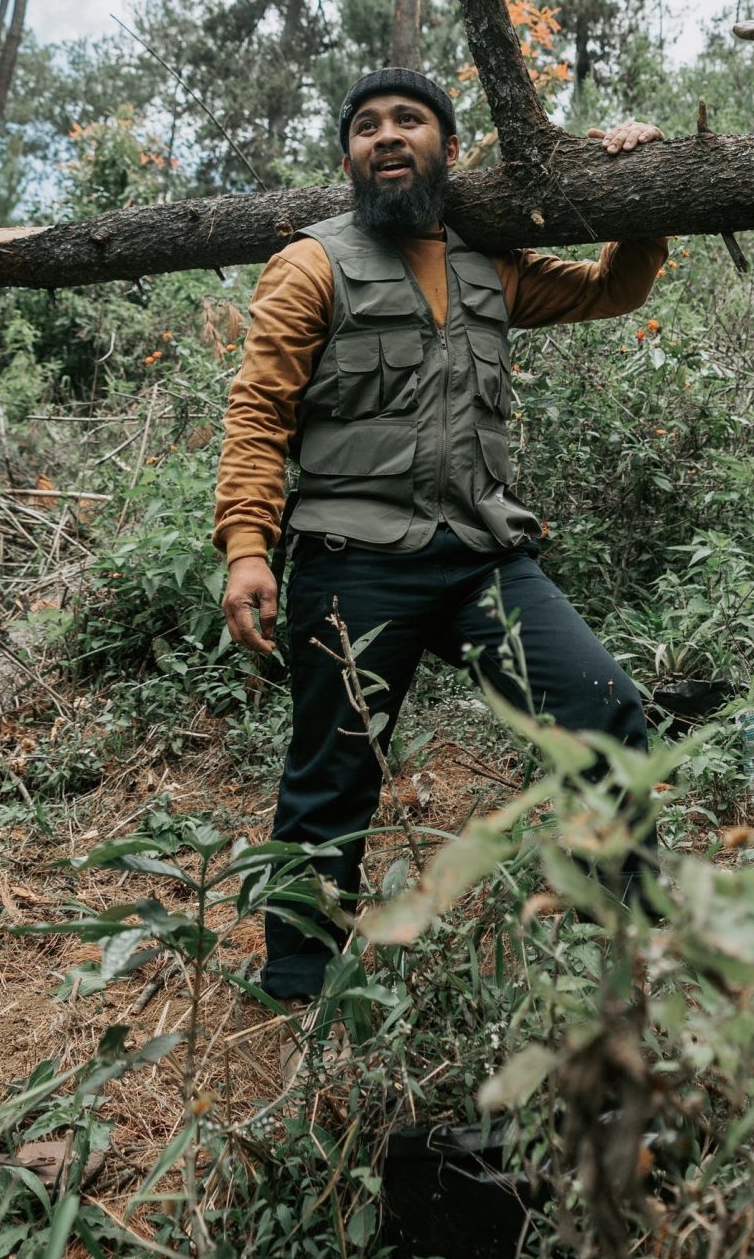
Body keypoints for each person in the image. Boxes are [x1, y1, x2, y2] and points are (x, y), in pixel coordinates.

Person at [215, 65, 668, 1003]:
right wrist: (248, 548)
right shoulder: (312, 265)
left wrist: (642, 191)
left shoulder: (488, 260)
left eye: (409, 121)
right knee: (332, 775)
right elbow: (258, 413)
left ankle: (627, 942)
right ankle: (300, 984)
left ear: (448, 150)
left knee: (605, 711)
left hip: (480, 557)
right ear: (347, 157)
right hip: (353, 563)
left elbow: (611, 291)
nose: (387, 136)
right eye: (367, 126)